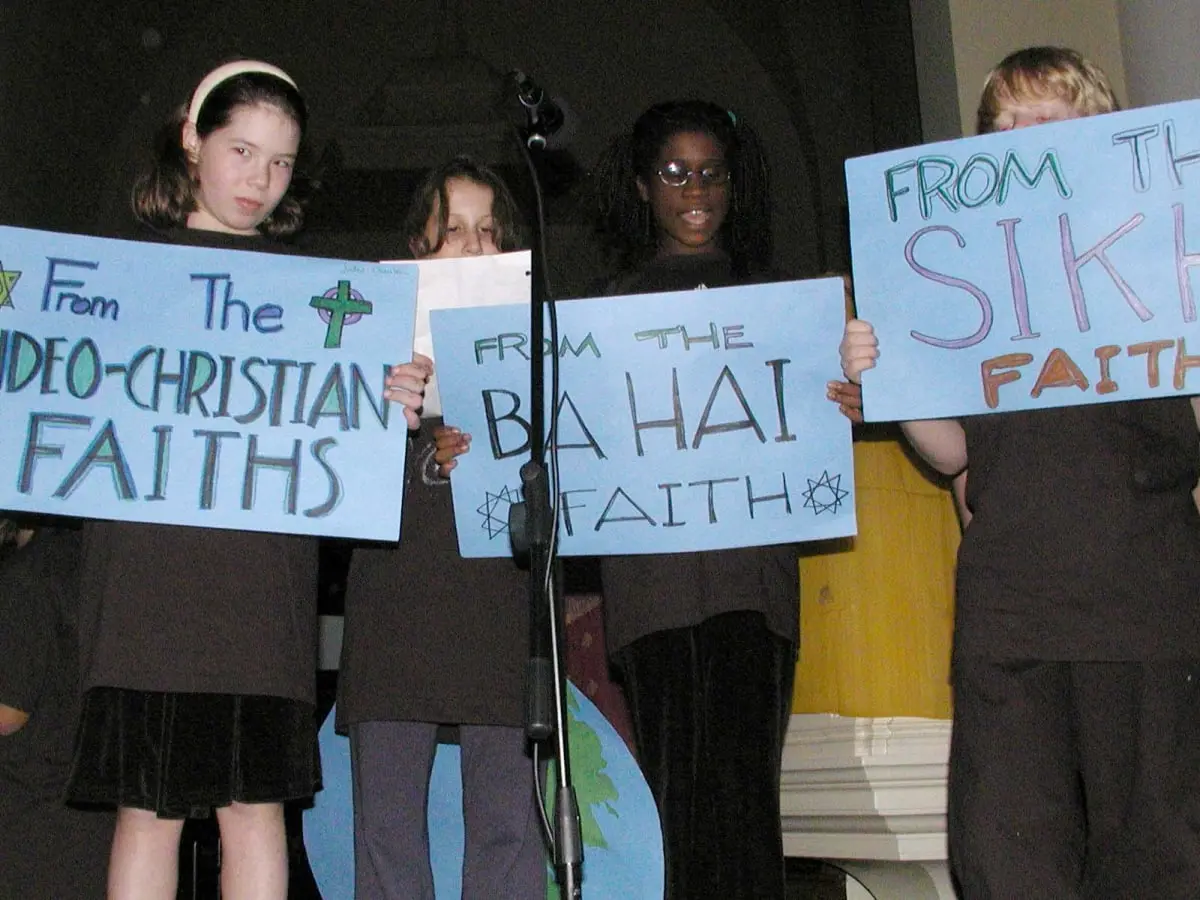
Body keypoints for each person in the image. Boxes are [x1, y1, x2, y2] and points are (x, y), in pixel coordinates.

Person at [840, 46, 1200, 898]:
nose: (1021, 137)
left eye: (1048, 118)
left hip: (1145, 601)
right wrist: (885, 375)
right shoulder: (970, 279)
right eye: (1004, 123)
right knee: (1009, 859)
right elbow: (955, 453)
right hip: (1013, 611)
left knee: (1158, 854)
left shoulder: (1158, 251)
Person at [62, 60, 426, 900]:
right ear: (191, 139)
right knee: (145, 811)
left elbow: (336, 434)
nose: (259, 181)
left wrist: (383, 408)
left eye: (281, 162)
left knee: (255, 807)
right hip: (147, 583)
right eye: (241, 150)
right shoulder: (112, 279)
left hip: (260, 586)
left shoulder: (322, 302)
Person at [587, 99, 798, 900]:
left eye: (712, 172)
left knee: (749, 805)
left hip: (756, 587)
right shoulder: (605, 309)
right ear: (643, 186)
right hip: (654, 594)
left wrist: (838, 401)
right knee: (676, 808)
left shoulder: (777, 298)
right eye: (675, 172)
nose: (696, 188)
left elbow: (810, 431)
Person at [336, 155, 546, 900]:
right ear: (417, 248)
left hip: (499, 603)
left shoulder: (542, 346)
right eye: (452, 230)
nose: (474, 247)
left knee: (507, 825)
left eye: (489, 231)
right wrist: (390, 413)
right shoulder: (360, 337)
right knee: (388, 829)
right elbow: (327, 480)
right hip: (398, 600)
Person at [0, 521, 114, 899]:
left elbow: (8, 714)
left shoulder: (30, 576)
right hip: (94, 811)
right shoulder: (100, 561)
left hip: (33, 822)